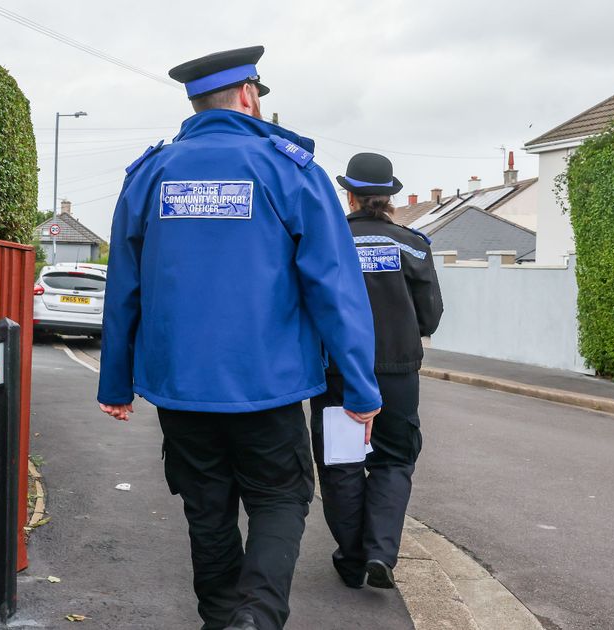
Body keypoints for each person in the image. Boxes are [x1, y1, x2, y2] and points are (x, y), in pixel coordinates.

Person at [96, 46, 382, 630]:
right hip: (268, 387)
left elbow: (123, 286)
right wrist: (361, 387)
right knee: (280, 499)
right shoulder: (290, 170)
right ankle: (256, 617)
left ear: (196, 103)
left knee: (206, 509)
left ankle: (221, 618)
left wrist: (116, 383)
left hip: (180, 388)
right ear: (249, 95)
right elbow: (335, 288)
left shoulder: (150, 173)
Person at [308, 152, 443, 591]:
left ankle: (351, 560)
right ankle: (381, 552)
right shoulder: (412, 244)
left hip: (338, 373)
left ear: (348, 195)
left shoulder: (327, 242)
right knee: (395, 460)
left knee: (341, 463)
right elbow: (430, 314)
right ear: (389, 198)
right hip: (398, 372)